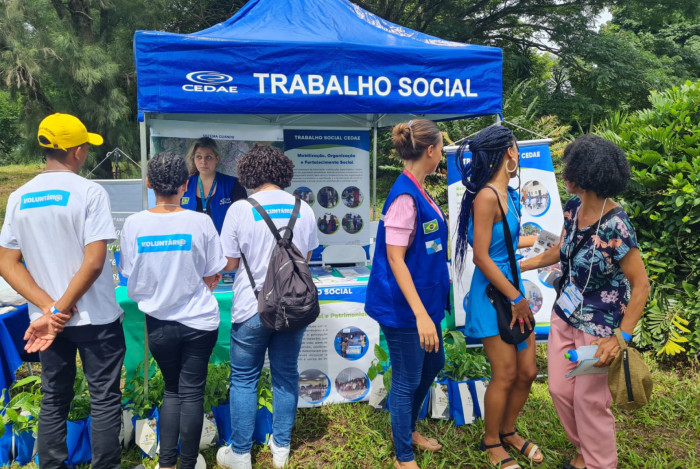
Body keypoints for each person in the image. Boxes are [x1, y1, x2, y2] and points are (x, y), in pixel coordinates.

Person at [0, 113, 125, 469]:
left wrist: (48, 309)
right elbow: (94, 262)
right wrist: (59, 309)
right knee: (104, 398)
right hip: (95, 317)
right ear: (77, 151)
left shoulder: (20, 197)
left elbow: (7, 262)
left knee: (54, 397)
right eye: (85, 146)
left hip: (46, 324)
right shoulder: (89, 192)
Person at [521, 135, 650, 469]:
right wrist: (518, 266)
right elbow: (561, 251)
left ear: (586, 177)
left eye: (570, 169)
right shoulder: (573, 208)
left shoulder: (617, 226)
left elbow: (641, 286)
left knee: (589, 400)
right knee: (560, 389)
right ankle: (585, 448)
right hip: (565, 314)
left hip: (600, 328)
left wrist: (621, 337)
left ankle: (598, 462)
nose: (565, 175)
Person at [118, 152, 227, 469]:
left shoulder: (135, 224)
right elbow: (214, 271)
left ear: (148, 183)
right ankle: (187, 463)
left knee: (172, 390)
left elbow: (129, 273)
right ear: (185, 185)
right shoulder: (200, 222)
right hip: (199, 322)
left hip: (159, 324)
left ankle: (166, 463)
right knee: (191, 393)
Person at [216, 144, 319, 469]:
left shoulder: (240, 210)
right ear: (282, 171)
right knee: (286, 375)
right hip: (293, 306)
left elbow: (230, 264)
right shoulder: (303, 208)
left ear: (249, 173)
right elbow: (306, 258)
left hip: (251, 308)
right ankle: (281, 449)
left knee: (244, 379)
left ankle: (240, 454)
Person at [454, 125, 541, 469]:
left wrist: (545, 243)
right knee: (504, 374)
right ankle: (491, 441)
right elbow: (481, 256)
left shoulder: (510, 194)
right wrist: (516, 298)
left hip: (513, 289)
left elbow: (506, 242)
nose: (518, 154)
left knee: (528, 371)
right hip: (495, 295)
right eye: (516, 148)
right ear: (508, 152)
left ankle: (508, 430)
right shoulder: (487, 196)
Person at [365, 119, 449, 469]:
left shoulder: (420, 189)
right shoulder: (404, 196)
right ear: (430, 150)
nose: (442, 154)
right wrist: (420, 315)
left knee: (434, 363)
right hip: (404, 308)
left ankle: (409, 428)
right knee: (407, 378)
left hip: (425, 303)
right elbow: (395, 259)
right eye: (441, 148)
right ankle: (403, 456)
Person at [180, 137, 247, 233]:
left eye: (208, 157)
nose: (203, 162)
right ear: (193, 159)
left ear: (217, 159)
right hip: (192, 241)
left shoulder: (234, 184)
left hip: (223, 241)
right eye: (199, 157)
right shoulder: (184, 184)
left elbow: (243, 219)